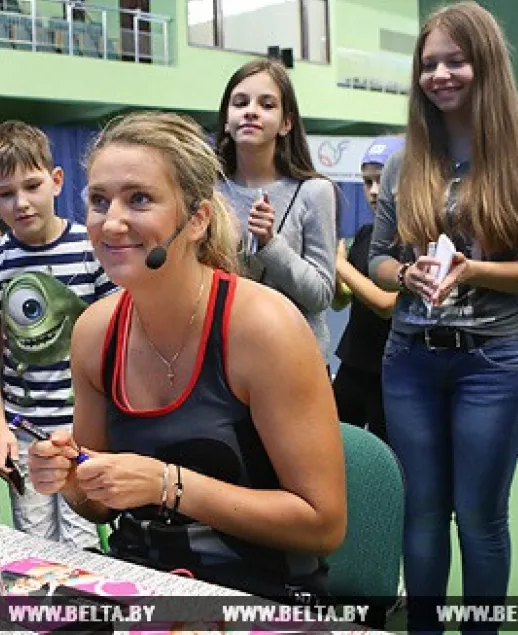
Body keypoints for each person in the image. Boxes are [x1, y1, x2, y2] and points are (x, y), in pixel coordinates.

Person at [26, 111, 345, 600]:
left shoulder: (265, 328)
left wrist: (167, 485)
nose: (111, 222)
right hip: (140, 583)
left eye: (139, 199)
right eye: (98, 200)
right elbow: (98, 506)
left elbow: (323, 525)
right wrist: (70, 478)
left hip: (259, 592)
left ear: (196, 219)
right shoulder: (94, 332)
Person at [368, 3, 518, 630]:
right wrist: (405, 275)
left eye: (456, 60)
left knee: (480, 519)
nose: (441, 74)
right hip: (409, 363)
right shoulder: (405, 161)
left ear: (486, 65)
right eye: (429, 64)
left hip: (495, 364)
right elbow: (376, 258)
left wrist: (476, 271)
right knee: (422, 514)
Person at [0, 121, 117, 549]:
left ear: (56, 180)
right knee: (34, 540)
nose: (21, 203)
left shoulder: (92, 252)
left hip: (82, 429)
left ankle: (86, 617)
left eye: (32, 186)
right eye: (6, 193)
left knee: (83, 536)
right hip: (24, 429)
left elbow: (113, 343)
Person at [214, 58, 337, 354]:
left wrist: (271, 244)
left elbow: (320, 295)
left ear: (286, 123)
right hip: (228, 358)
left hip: (294, 358)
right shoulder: (209, 192)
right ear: (227, 121)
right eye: (240, 103)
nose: (251, 112)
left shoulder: (314, 192)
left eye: (267, 105)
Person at [329, 136, 403, 442]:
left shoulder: (416, 241)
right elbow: (340, 302)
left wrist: (337, 263)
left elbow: (387, 305)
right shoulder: (366, 233)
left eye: (382, 181)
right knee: (333, 450)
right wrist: (336, 279)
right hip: (352, 365)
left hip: (392, 375)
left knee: (388, 465)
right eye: (367, 182)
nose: (373, 191)